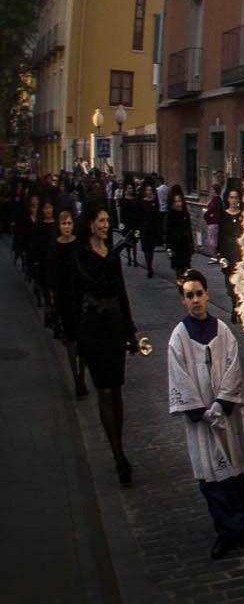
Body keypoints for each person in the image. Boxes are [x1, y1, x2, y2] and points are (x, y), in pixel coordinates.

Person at [166, 268, 244, 558]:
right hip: (202, 419)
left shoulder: (222, 330)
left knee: (233, 467)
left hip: (224, 413)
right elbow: (178, 375)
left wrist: (222, 403)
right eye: (189, 295)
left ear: (207, 295)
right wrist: (200, 409)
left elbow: (233, 365)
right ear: (183, 299)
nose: (196, 300)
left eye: (199, 294)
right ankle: (227, 529)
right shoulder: (179, 337)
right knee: (211, 474)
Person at [75, 206, 138, 484]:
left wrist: (130, 330)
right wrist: (116, 252)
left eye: (107, 220)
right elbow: (95, 282)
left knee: (116, 390)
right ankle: (118, 455)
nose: (105, 224)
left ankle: (119, 441)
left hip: (114, 326)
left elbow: (120, 291)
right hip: (93, 327)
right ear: (90, 225)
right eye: (100, 220)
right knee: (103, 391)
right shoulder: (82, 254)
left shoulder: (111, 253)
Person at [49, 207, 87, 397]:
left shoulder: (78, 245)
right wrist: (54, 295)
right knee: (71, 338)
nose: (66, 227)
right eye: (63, 223)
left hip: (79, 295)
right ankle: (76, 378)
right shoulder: (55, 246)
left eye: (69, 223)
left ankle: (82, 375)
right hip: (64, 297)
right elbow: (54, 273)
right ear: (59, 226)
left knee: (83, 339)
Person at [164, 188, 195, 275]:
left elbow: (189, 229)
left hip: (185, 244)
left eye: (179, 201)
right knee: (178, 267)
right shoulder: (170, 215)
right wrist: (168, 247)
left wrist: (191, 244)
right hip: (175, 245)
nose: (178, 204)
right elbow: (167, 232)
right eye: (176, 201)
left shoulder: (185, 214)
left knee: (187, 267)